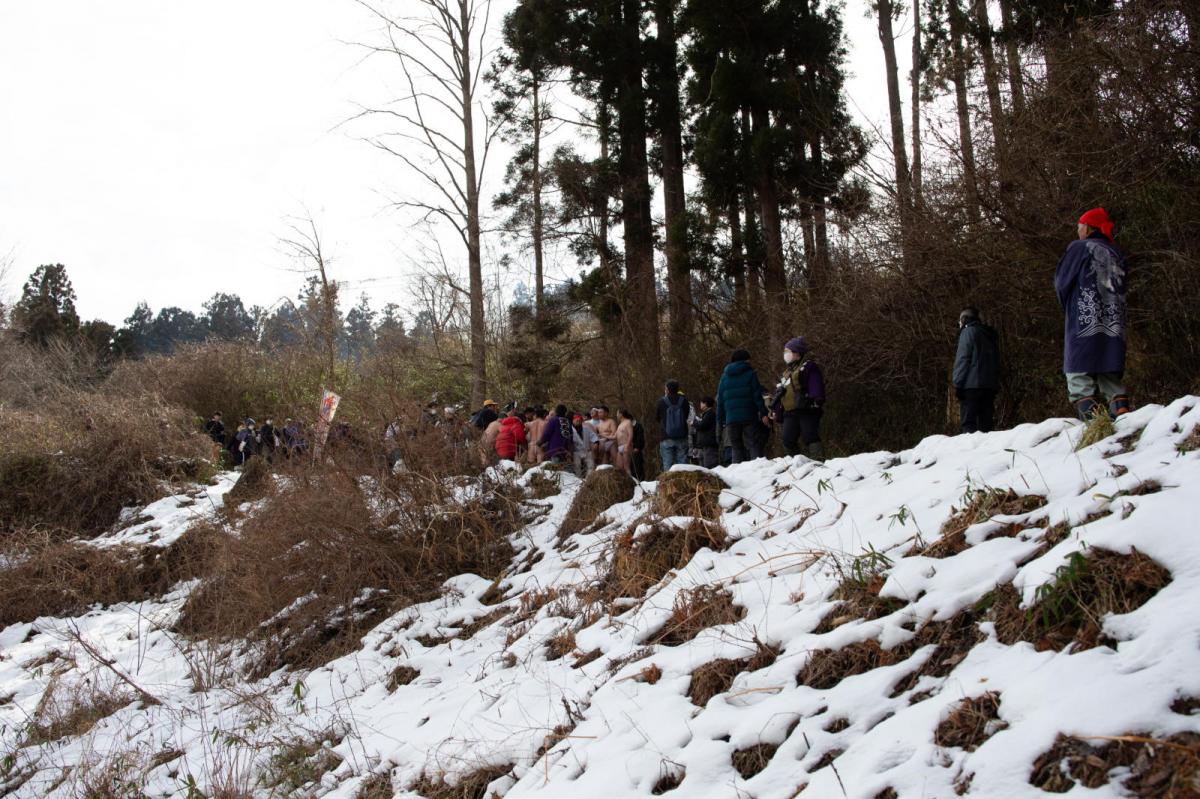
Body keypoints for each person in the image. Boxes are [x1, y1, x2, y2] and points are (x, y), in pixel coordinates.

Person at [1055, 207, 1132, 420]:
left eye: (1079, 227)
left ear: (1088, 228)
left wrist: (1069, 308)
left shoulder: (1079, 247)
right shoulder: (1115, 251)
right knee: (1108, 368)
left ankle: (1095, 424)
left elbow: (1062, 283)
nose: (1078, 232)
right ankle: (1123, 416)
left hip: (1084, 317)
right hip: (1114, 318)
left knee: (1078, 372)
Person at [774, 337, 827, 458]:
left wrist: (817, 398)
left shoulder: (808, 366)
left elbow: (815, 382)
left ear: (797, 353)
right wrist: (777, 411)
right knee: (788, 440)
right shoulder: (786, 373)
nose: (785, 354)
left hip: (806, 408)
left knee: (810, 436)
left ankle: (818, 462)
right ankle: (798, 463)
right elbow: (781, 394)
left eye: (788, 351)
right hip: (790, 412)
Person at [716, 349, 770, 464]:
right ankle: (757, 470)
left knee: (736, 447)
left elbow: (720, 401)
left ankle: (737, 475)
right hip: (749, 416)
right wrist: (764, 413)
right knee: (753, 444)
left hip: (731, 418)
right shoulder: (750, 374)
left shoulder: (724, 377)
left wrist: (719, 421)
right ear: (745, 360)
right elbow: (757, 397)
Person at [952, 308, 1000, 433]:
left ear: (964, 319)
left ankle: (969, 452)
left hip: (971, 387)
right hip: (989, 387)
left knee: (968, 425)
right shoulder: (989, 335)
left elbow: (963, 359)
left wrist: (958, 384)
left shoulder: (968, 332)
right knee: (986, 426)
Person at [656, 380, 693, 472]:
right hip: (682, 436)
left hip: (666, 437)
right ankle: (683, 484)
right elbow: (687, 415)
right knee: (683, 464)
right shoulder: (684, 401)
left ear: (667, 389)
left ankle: (669, 485)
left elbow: (657, 418)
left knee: (667, 464)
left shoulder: (661, 401)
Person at [692, 397, 720, 468]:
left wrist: (694, 423)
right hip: (705, 444)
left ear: (706, 404)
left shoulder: (710, 414)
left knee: (710, 465)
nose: (700, 404)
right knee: (704, 466)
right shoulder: (706, 414)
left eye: (701, 403)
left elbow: (702, 425)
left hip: (709, 443)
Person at [625, 409, 646, 481]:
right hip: (628, 450)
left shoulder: (637, 426)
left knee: (638, 467)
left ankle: (640, 481)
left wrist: (637, 447)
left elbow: (640, 438)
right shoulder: (626, 426)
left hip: (636, 450)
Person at [616, 409, 634, 474]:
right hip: (619, 447)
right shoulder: (620, 424)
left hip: (626, 445)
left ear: (621, 414)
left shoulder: (628, 422)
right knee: (619, 468)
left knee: (626, 467)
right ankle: (623, 482)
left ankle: (630, 482)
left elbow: (630, 434)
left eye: (617, 413)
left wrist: (627, 445)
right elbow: (615, 436)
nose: (616, 415)